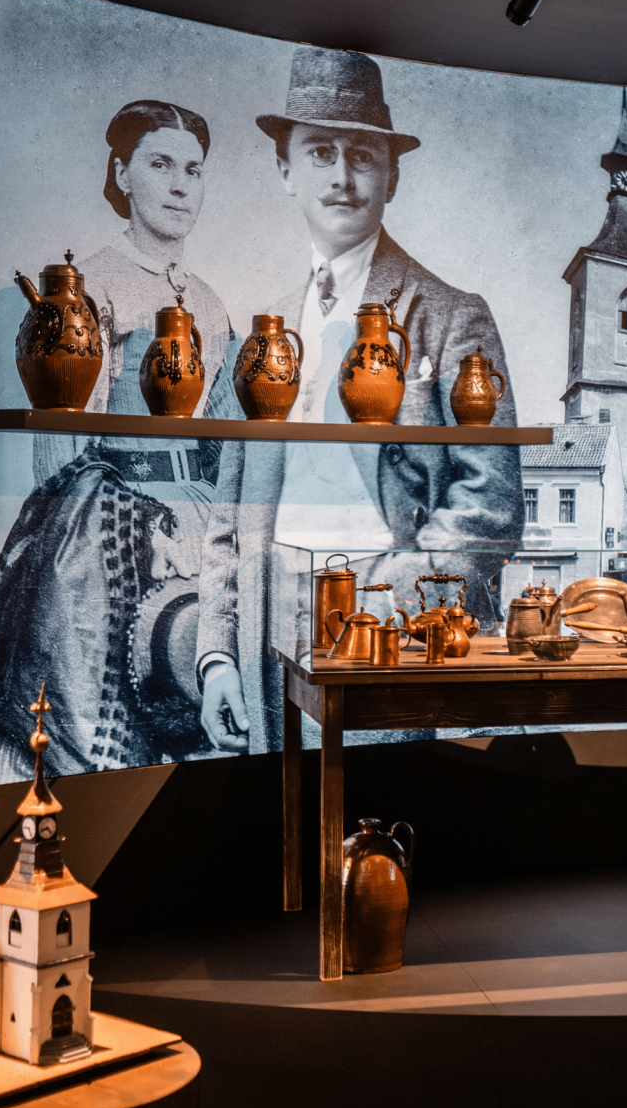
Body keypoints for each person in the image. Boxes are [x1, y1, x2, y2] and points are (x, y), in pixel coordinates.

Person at [194, 49, 523, 742]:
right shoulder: (264, 331)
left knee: (378, 806)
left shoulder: (451, 314)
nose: (341, 177)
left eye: (363, 156)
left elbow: (489, 506)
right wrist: (217, 654)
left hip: (383, 616)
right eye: (320, 152)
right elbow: (228, 515)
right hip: (263, 623)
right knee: (278, 801)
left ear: (392, 177)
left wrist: (399, 598)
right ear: (285, 170)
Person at [0, 99, 244, 789]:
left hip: (202, 521)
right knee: (97, 730)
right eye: (160, 164)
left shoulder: (211, 301)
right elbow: (64, 448)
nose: (180, 186)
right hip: (108, 529)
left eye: (194, 170)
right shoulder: (93, 287)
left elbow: (228, 439)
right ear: (122, 174)